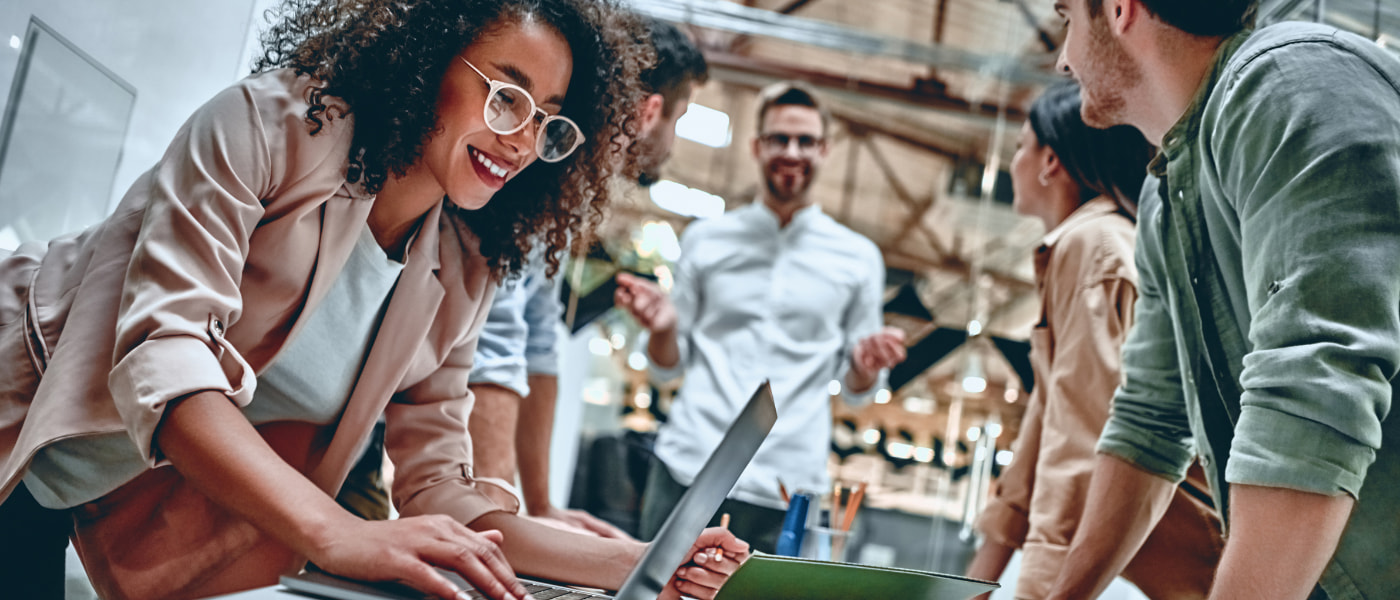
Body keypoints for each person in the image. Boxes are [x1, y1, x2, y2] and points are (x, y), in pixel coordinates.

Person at [0, 1, 748, 599]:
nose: (521, 141)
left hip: (93, 496)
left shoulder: (463, 262)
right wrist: (335, 532)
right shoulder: (269, 127)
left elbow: (439, 490)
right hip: (16, 430)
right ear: (425, 57)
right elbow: (165, 357)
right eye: (506, 96)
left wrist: (644, 564)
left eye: (548, 120)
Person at [1039, 1, 1400, 599]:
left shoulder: (1293, 84)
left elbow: (1314, 392)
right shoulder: (1166, 195)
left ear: (1122, 10)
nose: (1062, 60)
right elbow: (1149, 420)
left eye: (1067, 18)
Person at [615, 81, 908, 554]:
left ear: (825, 150)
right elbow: (667, 365)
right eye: (779, 139)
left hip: (788, 484)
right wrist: (665, 329)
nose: (792, 152)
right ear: (756, 146)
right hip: (690, 465)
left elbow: (858, 393)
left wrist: (865, 366)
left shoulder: (859, 258)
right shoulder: (707, 239)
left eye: (806, 140)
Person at [963, 81, 1222, 600]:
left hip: (1147, 567)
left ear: (1050, 161)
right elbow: (1046, 425)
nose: (1014, 161)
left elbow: (1083, 440)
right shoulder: (1093, 243)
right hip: (1147, 563)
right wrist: (981, 576)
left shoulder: (1091, 246)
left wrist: (1042, 587)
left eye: (1019, 147)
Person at [462, 17, 710, 538]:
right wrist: (505, 526)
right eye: (680, 119)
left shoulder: (571, 189)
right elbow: (498, 340)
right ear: (650, 111)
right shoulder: (540, 166)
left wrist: (540, 505)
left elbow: (538, 338)